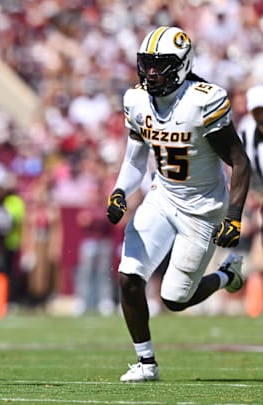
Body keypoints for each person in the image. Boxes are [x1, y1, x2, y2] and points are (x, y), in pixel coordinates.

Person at [106, 26, 250, 382]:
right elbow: (135, 161)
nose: (151, 72)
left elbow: (239, 161)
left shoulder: (203, 101)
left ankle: (225, 275)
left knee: (174, 299)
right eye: (148, 64)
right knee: (129, 276)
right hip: (163, 196)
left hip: (202, 212)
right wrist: (120, 192)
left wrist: (233, 216)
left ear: (183, 65)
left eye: (162, 65)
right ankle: (146, 363)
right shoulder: (137, 101)